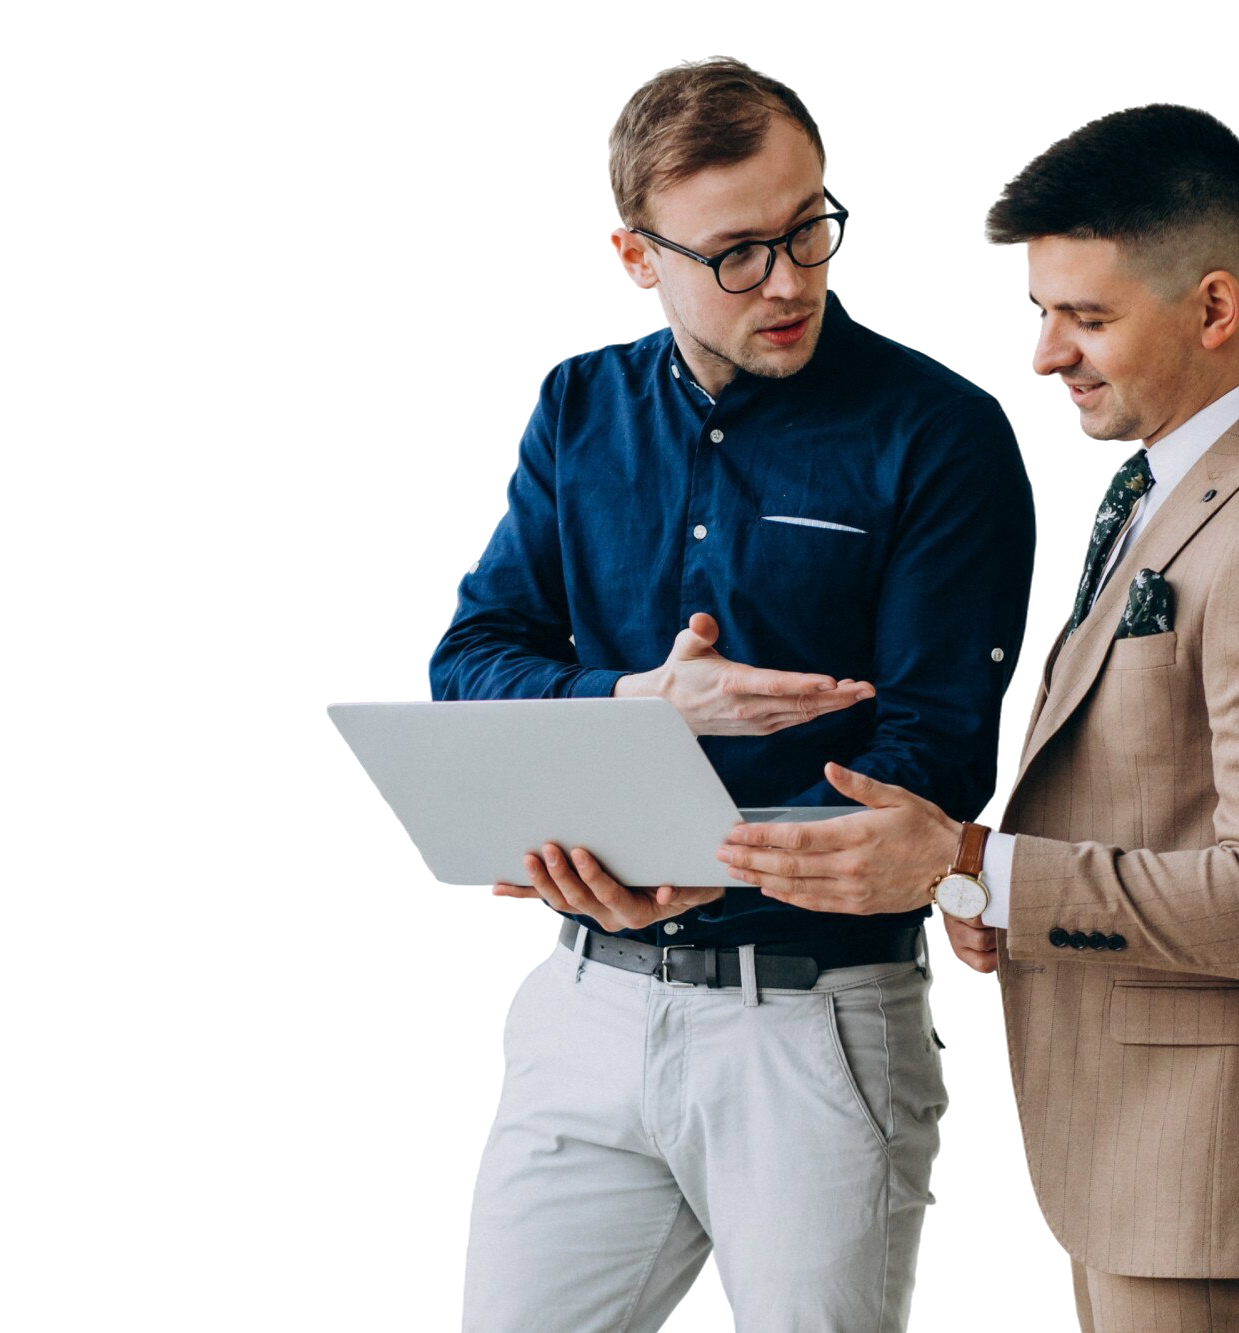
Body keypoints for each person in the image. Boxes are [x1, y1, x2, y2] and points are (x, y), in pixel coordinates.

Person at [718, 99, 1239, 1331]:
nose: (1043, 355)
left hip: (1215, 1189)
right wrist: (986, 900)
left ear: (1213, 309)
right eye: (1037, 314)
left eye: (1085, 319)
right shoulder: (1164, 480)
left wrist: (963, 861)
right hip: (1134, 1173)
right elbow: (1138, 795)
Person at [426, 56, 1039, 1332]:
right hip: (580, 1005)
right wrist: (641, 700)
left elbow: (939, 762)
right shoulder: (573, 403)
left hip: (813, 1029)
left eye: (813, 224)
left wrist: (718, 865)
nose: (793, 279)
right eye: (738, 252)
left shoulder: (944, 431)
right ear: (633, 257)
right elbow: (468, 663)